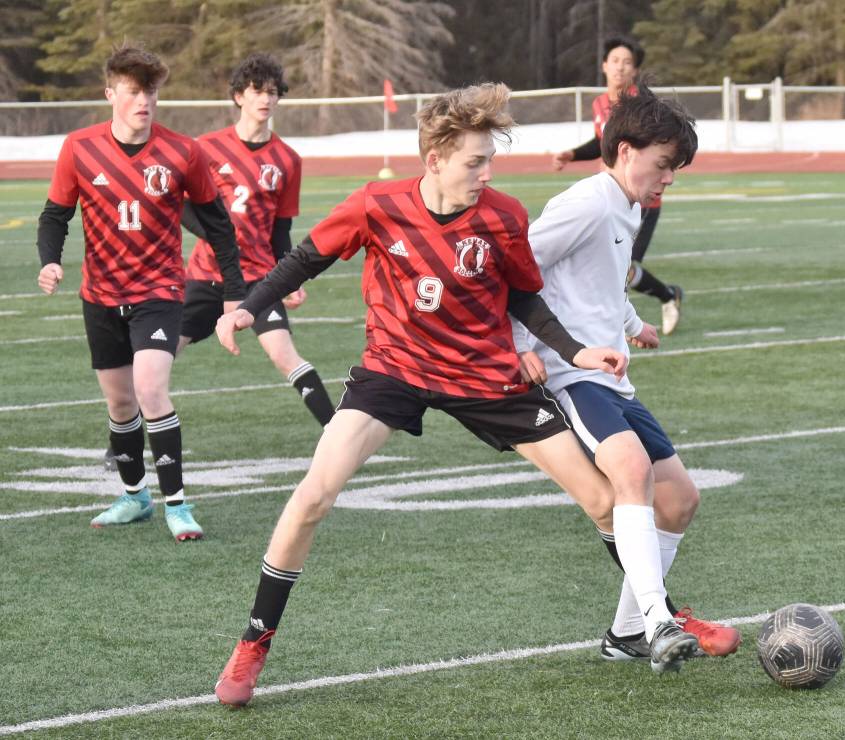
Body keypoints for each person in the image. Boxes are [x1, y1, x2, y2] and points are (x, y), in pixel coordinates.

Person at [212, 83, 700, 707]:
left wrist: (576, 352)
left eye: (490, 159)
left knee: (606, 499)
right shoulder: (377, 204)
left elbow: (526, 296)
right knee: (314, 494)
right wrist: (249, 310)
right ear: (435, 158)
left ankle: (649, 621)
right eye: (475, 161)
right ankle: (255, 640)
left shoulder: (502, 215)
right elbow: (305, 258)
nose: (486, 172)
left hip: (483, 374)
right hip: (395, 368)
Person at [517, 86, 741, 663]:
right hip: (569, 374)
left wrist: (632, 320)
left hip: (611, 377)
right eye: (664, 164)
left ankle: (625, 635)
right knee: (630, 470)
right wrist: (516, 347)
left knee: (680, 500)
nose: (669, 178)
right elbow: (514, 270)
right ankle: (660, 620)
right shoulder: (587, 202)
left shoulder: (628, 206)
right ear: (623, 149)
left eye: (676, 168)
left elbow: (600, 281)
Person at [36, 46, 245, 540]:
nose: (143, 101)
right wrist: (49, 260)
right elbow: (54, 216)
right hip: (100, 294)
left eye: (150, 91)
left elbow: (218, 227)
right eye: (132, 91)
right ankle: (135, 498)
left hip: (158, 290)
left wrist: (234, 295)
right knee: (121, 403)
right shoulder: (79, 147)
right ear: (111, 94)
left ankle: (178, 504)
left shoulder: (183, 151)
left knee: (151, 388)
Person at [179, 53, 335, 426]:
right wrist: (219, 240)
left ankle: (337, 434)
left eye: (272, 92)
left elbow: (281, 230)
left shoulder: (287, 159)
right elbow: (182, 208)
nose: (265, 99)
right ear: (238, 96)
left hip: (258, 279)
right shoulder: (206, 148)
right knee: (159, 354)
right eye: (256, 91)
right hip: (207, 275)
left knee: (286, 357)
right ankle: (120, 445)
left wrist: (291, 279)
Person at [552, 36, 684, 335]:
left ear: (635, 71)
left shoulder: (641, 105)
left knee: (622, 266)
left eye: (627, 63)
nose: (620, 68)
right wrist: (572, 155)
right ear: (604, 65)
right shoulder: (600, 103)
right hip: (613, 196)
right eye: (615, 61)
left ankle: (651, 304)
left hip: (642, 199)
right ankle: (663, 297)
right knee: (614, 264)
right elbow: (604, 142)